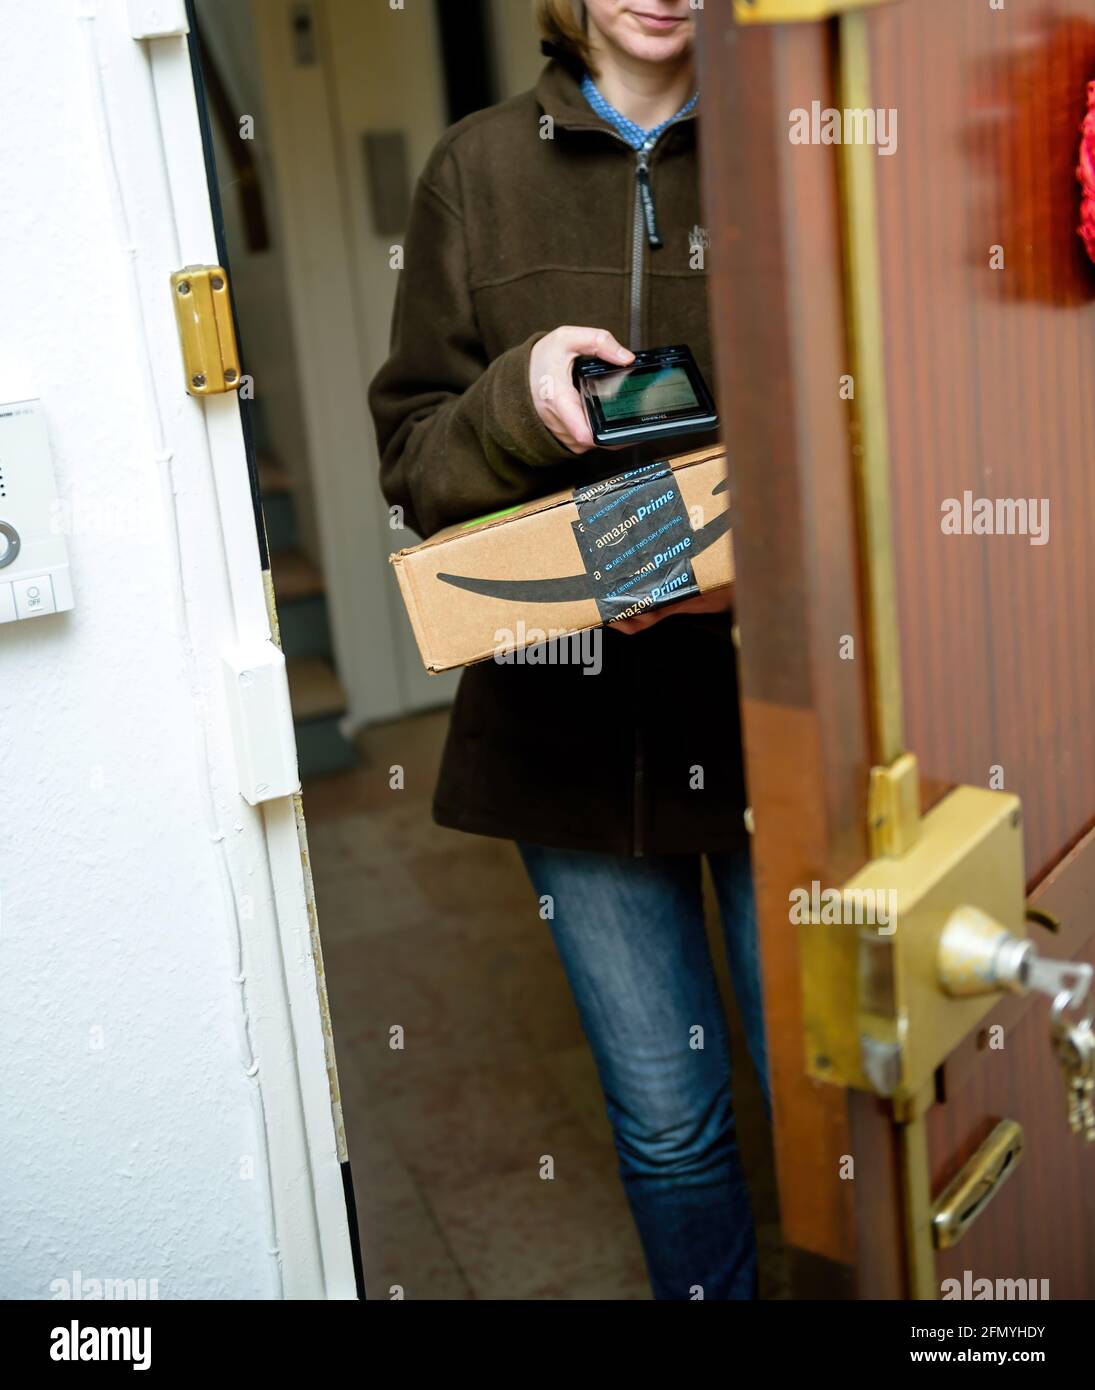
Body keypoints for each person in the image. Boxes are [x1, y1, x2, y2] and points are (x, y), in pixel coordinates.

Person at [369, 0, 770, 1301]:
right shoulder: (473, 171)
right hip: (568, 741)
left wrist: (753, 582)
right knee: (670, 1119)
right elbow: (416, 460)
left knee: (840, 1103)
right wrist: (519, 392)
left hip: (785, 725)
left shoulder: (799, 148)